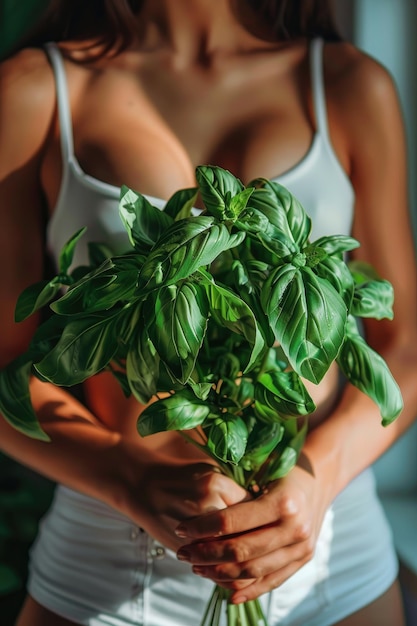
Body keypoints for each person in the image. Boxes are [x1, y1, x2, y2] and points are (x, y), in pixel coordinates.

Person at [0, 1, 416, 624]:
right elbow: (6, 363)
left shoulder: (348, 83)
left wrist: (318, 478)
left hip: (332, 564)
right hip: (110, 573)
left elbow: (405, 346)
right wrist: (126, 475)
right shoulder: (35, 89)